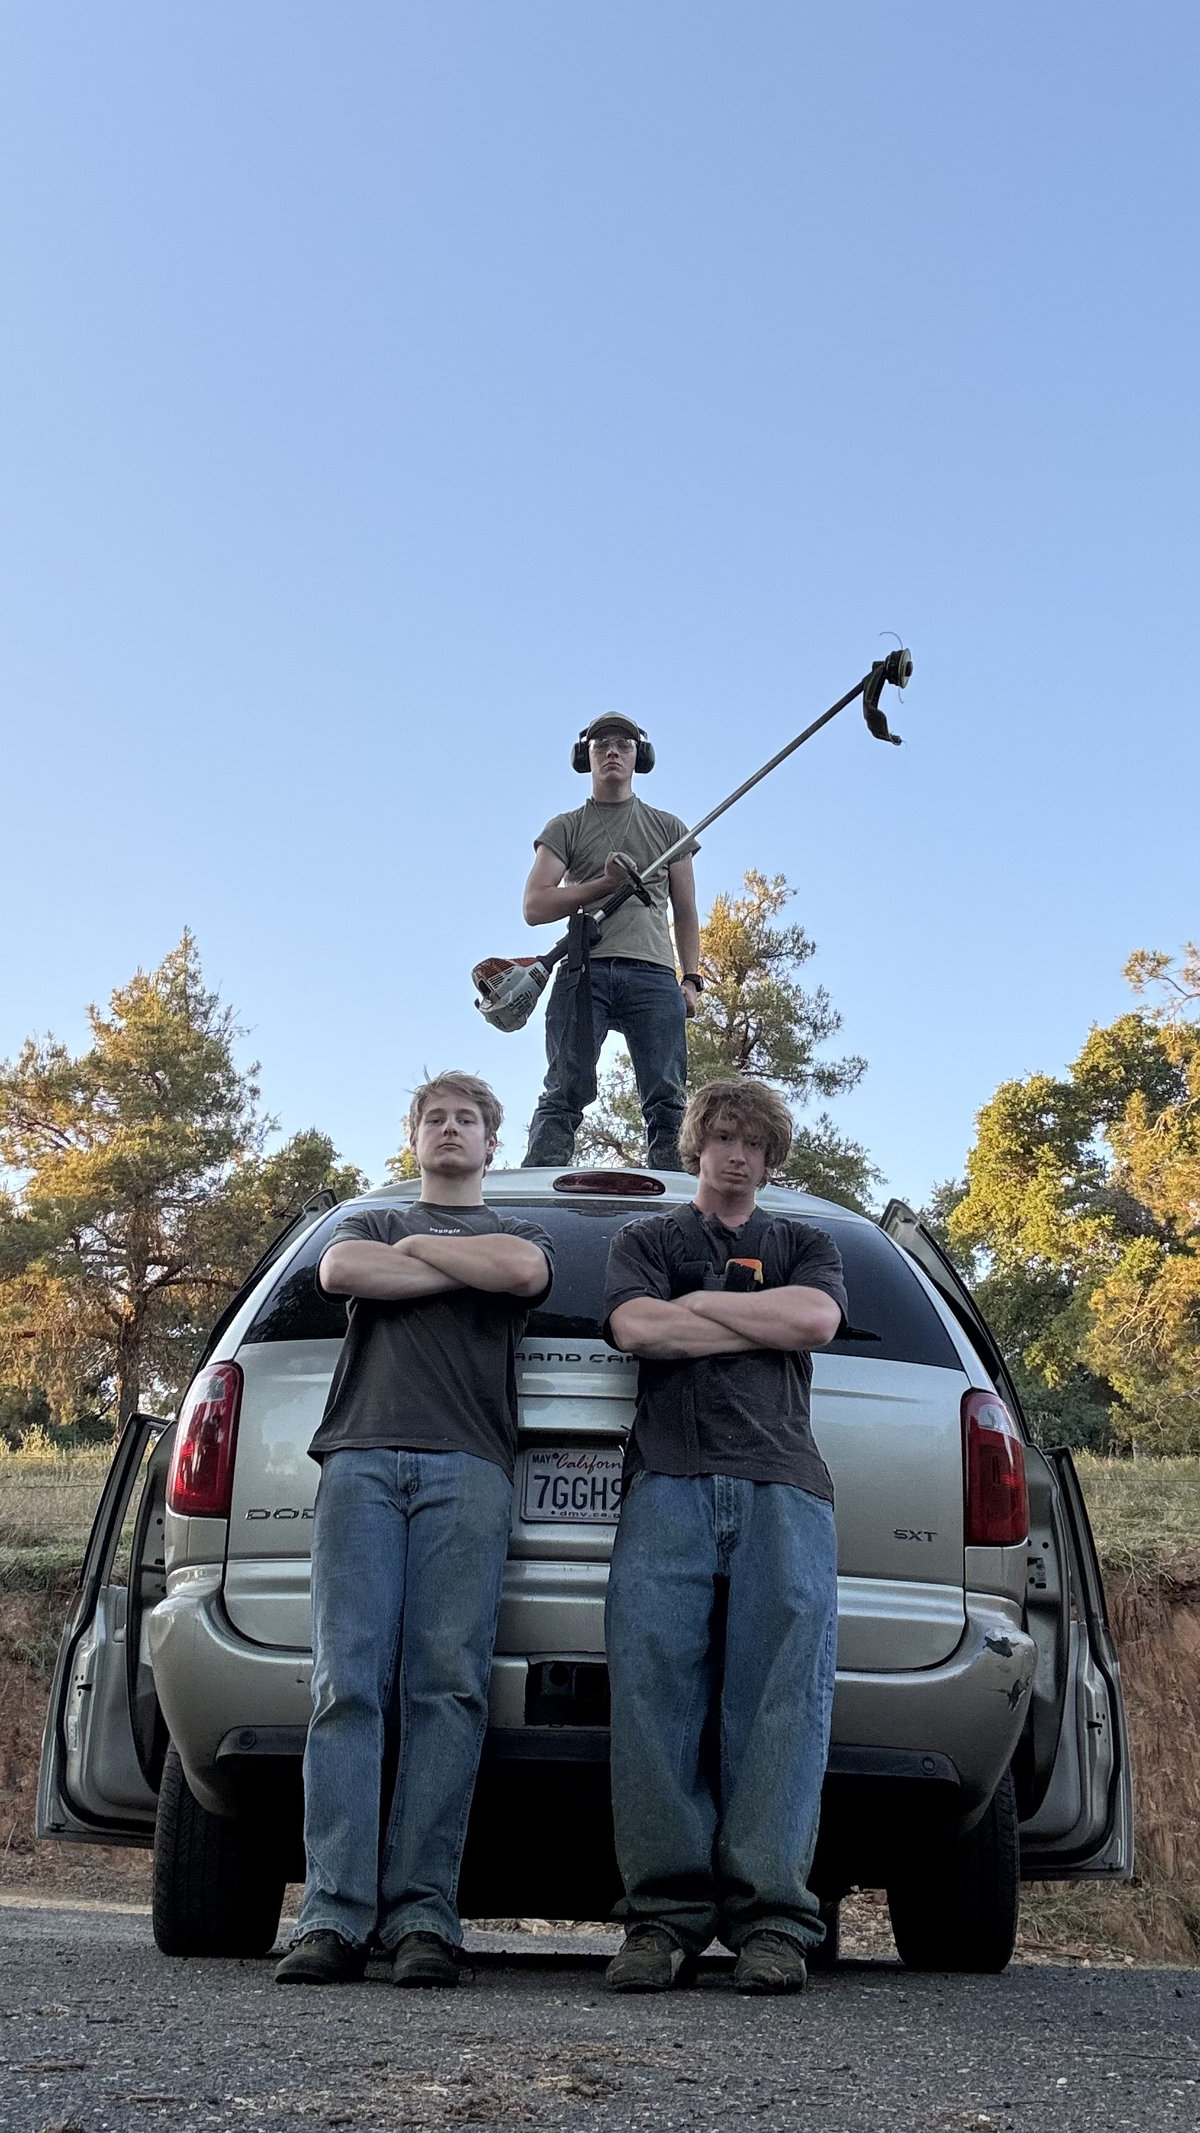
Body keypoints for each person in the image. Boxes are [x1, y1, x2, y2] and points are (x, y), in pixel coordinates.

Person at [275, 1073, 553, 1989]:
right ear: (413, 1137)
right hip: (358, 1460)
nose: (449, 1129)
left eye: (466, 1119)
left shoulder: (516, 1235)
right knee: (346, 1682)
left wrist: (428, 1259)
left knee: (448, 1687)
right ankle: (332, 1914)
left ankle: (425, 1914)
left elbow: (522, 1273)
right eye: (434, 1117)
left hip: (470, 1468)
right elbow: (339, 1272)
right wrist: (451, 1260)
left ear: (489, 1143)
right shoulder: (369, 1222)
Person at [600, 1078, 847, 1995]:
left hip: (786, 1485)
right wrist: (752, 1318)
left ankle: (773, 1922)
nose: (737, 1155)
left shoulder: (806, 1242)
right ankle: (661, 1920)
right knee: (655, 1700)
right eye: (724, 1138)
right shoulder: (646, 1239)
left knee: (780, 1704)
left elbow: (814, 1318)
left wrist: (694, 1311)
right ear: (697, 1144)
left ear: (771, 1156)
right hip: (668, 1481)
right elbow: (635, 1326)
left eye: (754, 1143)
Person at [521, 713, 701, 1171]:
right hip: (586, 968)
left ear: (641, 756)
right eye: (601, 745)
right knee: (564, 1088)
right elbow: (535, 906)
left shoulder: (668, 827)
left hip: (655, 973)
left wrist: (692, 979)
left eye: (623, 744)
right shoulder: (566, 826)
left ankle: (674, 1192)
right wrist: (602, 884)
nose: (613, 752)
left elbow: (685, 911)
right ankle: (541, 1182)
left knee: (667, 1095)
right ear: (587, 757)